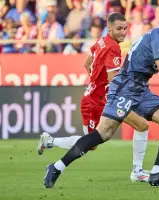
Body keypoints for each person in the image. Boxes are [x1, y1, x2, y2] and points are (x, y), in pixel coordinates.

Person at [43, 8, 159, 188]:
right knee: (101, 135)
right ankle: (56, 167)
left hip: (141, 89)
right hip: (125, 89)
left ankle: (157, 172)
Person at [38, 12, 150, 183]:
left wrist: (95, 82)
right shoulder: (113, 47)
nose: (123, 32)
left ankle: (50, 141)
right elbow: (114, 80)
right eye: (119, 28)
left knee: (92, 143)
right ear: (109, 28)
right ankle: (137, 170)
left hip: (94, 98)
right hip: (99, 102)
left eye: (125, 28)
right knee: (140, 125)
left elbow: (86, 62)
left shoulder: (102, 41)